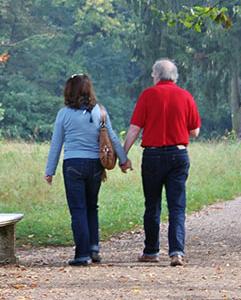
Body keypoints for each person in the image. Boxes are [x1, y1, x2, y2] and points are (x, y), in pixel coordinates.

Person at [122, 59, 201, 267]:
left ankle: (151, 251)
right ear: (174, 76)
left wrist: (123, 156)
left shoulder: (148, 95)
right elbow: (195, 131)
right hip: (178, 154)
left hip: (153, 155)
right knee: (177, 206)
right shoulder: (186, 96)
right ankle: (176, 252)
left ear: (156, 76)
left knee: (152, 205)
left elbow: (134, 128)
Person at [45, 74, 129, 266]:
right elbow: (113, 138)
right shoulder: (99, 112)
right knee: (92, 207)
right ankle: (94, 248)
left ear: (68, 91)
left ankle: (81, 255)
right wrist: (123, 160)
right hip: (95, 165)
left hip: (73, 165)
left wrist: (50, 171)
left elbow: (56, 145)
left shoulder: (64, 114)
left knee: (78, 210)